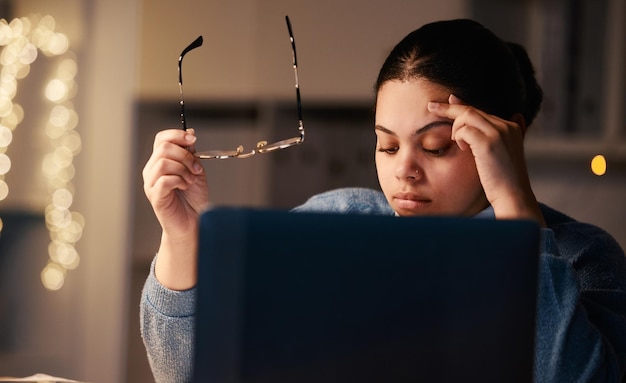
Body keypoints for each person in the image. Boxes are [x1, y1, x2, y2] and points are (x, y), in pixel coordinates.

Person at [140, 19, 626, 383]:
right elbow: (182, 374)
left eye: (435, 146)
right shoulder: (334, 223)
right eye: (387, 145)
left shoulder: (582, 258)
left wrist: (517, 211)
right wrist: (183, 237)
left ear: (507, 139)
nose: (403, 170)